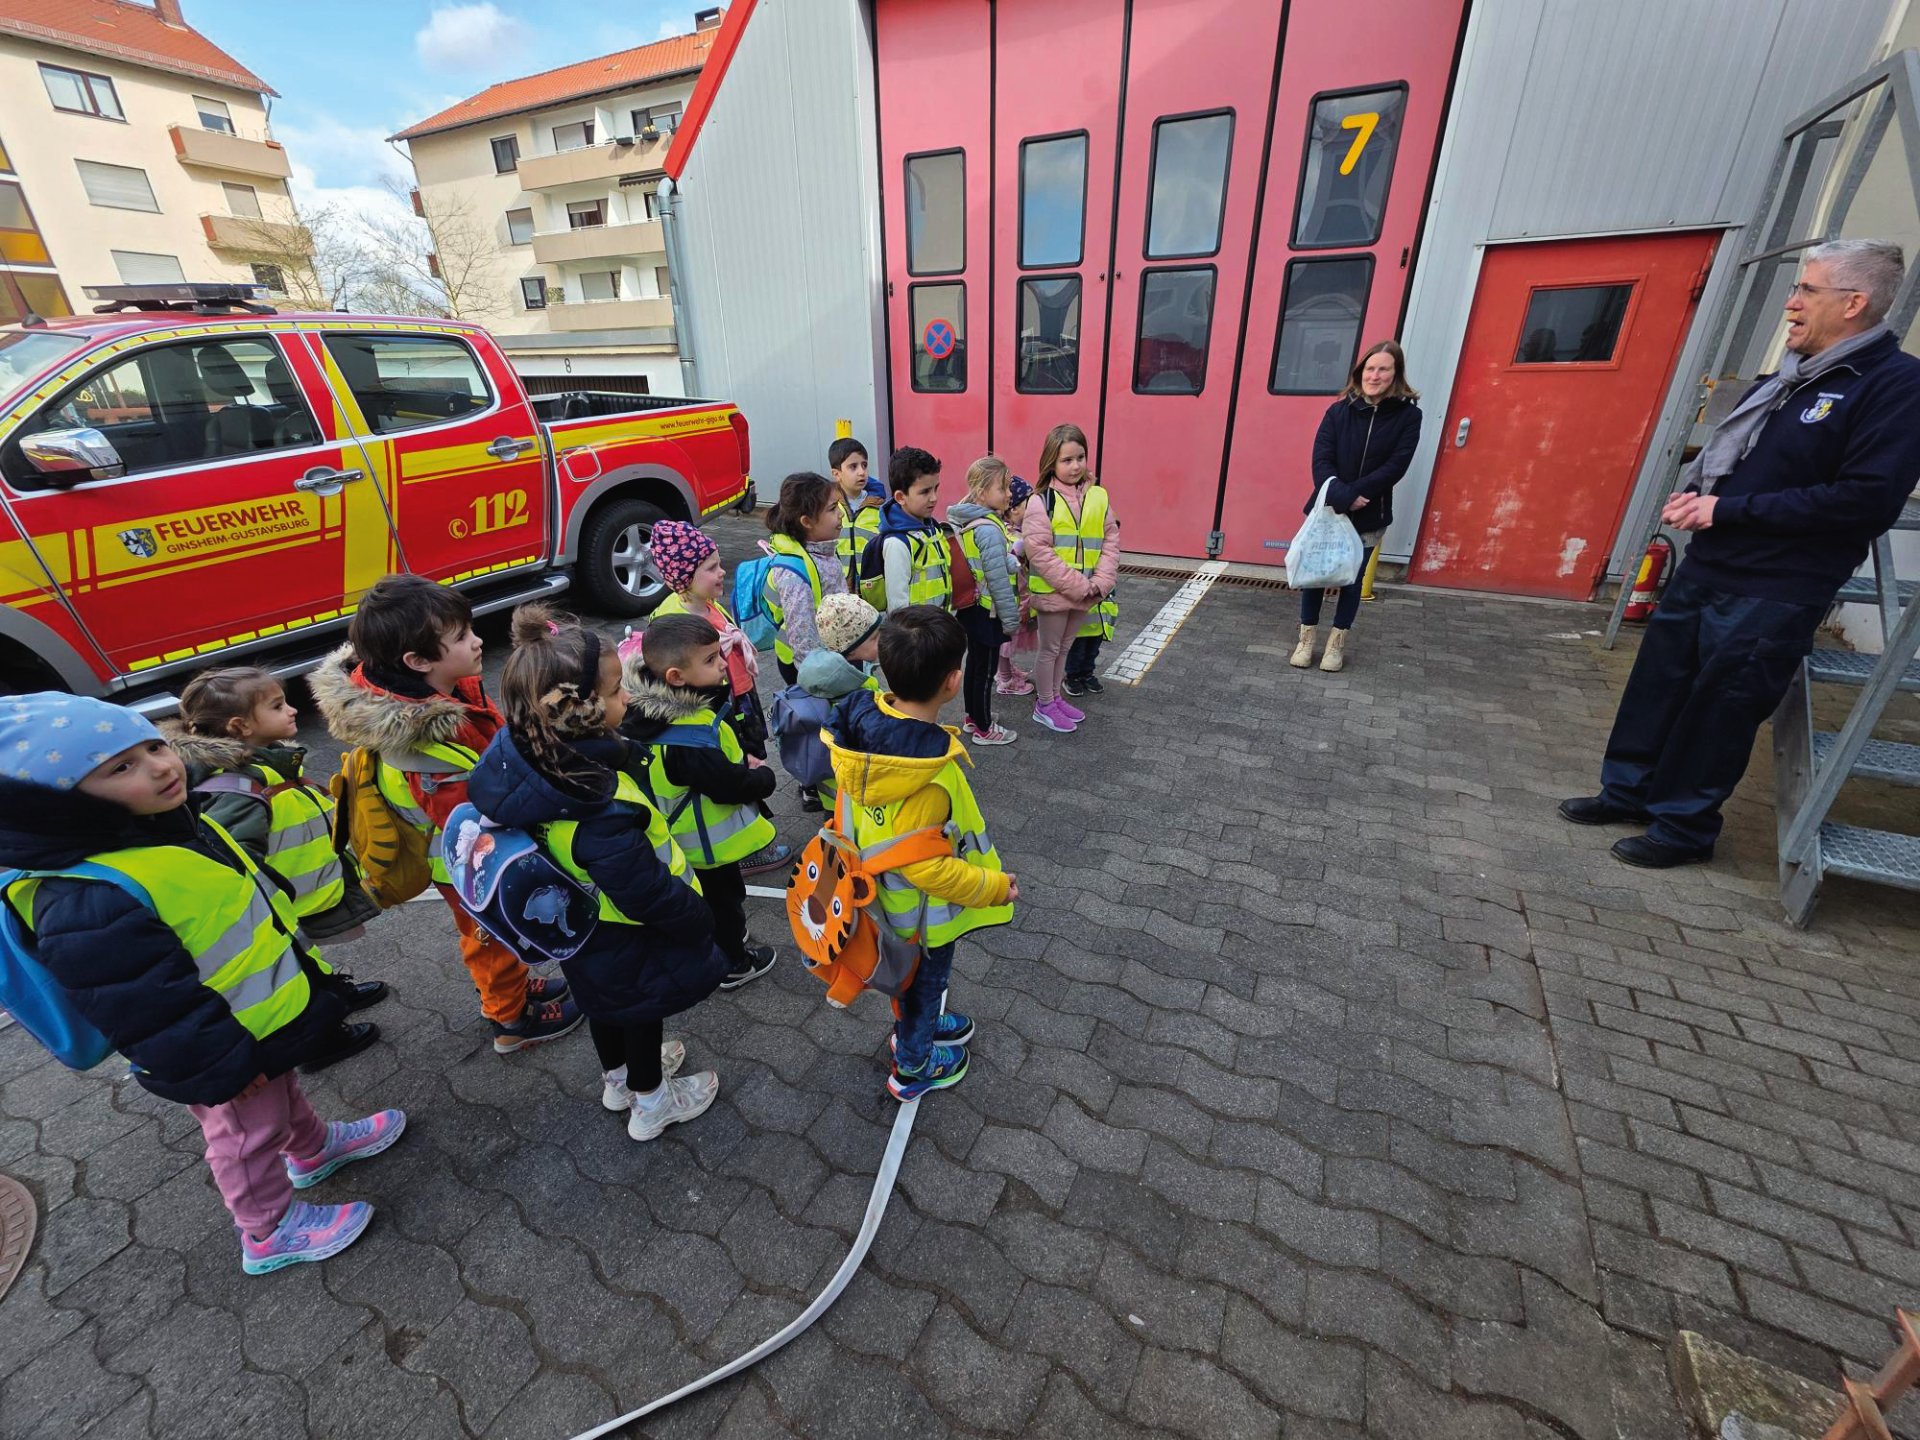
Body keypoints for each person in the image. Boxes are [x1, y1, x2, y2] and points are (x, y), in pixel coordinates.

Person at [0, 695, 406, 1274]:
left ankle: (313, 1149)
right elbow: (144, 1005)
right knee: (245, 1134)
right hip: (216, 1047)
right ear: (56, 804)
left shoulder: (157, 824)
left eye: (153, 746)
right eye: (121, 767)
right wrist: (219, 1070)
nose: (161, 767)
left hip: (251, 1019)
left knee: (281, 1091)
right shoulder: (84, 896)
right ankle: (268, 1230)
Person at [1561, 239, 1920, 869]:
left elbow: (1864, 500)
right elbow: (1752, 456)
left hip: (1777, 586)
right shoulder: (1791, 376)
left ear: (1854, 303)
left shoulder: (1895, 386)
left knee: (1721, 708)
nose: (1791, 303)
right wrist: (1704, 490)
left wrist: (1728, 510)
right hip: (1712, 563)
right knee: (1658, 686)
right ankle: (1628, 791)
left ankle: (1683, 827)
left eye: (1807, 290)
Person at [465, 607, 724, 1140]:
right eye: (613, 691)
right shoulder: (593, 802)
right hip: (624, 933)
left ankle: (619, 1079)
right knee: (639, 1010)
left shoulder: (532, 761)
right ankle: (652, 1102)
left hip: (577, 931)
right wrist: (697, 917)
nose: (626, 698)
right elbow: (642, 890)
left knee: (603, 1005)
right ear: (579, 711)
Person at [309, 575, 579, 1053]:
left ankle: (508, 987)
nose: (477, 640)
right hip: (463, 862)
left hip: (469, 848)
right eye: (461, 637)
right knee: (490, 935)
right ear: (417, 661)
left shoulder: (444, 691)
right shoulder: (424, 741)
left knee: (497, 936)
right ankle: (510, 1020)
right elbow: (473, 816)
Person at [823, 606, 1017, 1100]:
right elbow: (927, 866)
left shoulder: (863, 728)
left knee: (915, 984)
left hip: (883, 901)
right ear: (953, 682)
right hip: (921, 916)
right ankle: (913, 1063)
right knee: (926, 981)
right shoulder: (927, 771)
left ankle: (918, 1022)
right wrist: (993, 888)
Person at [173, 666, 385, 1074]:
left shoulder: (265, 762)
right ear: (240, 726)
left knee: (307, 955)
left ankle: (331, 992)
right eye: (277, 706)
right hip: (281, 909)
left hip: (302, 898)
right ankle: (321, 1037)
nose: (291, 711)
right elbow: (240, 863)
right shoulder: (235, 790)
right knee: (296, 963)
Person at [620, 613, 786, 988]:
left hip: (673, 841)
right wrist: (763, 776)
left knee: (702, 902)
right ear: (676, 677)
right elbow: (727, 785)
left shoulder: (640, 712)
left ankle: (712, 942)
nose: (724, 664)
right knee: (724, 902)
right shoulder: (689, 737)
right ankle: (732, 963)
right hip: (705, 847)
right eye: (711, 660)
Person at [1289, 340, 1422, 674]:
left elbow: (1397, 465)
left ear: (1396, 374)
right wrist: (1342, 495)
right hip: (1331, 507)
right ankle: (1306, 640)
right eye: (1370, 368)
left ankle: (1337, 643)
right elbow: (1321, 458)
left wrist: (1359, 494)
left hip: (1369, 513)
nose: (1374, 376)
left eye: (1383, 369)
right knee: (1315, 576)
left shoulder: (1409, 416)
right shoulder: (1338, 411)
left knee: (1352, 579)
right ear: (1360, 372)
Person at [645, 520, 768, 760]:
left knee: (755, 752)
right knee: (735, 756)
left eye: (719, 564)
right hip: (717, 705)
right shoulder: (677, 622)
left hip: (740, 694)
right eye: (711, 568)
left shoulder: (706, 603)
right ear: (685, 578)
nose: (722, 572)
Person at [1023, 424, 1117, 734]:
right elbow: (1039, 552)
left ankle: (1055, 697)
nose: (1075, 466)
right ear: (1052, 462)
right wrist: (1081, 586)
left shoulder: (1099, 497)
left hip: (1087, 592)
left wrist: (1101, 582)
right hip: (1056, 594)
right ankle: (1044, 704)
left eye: (1081, 457)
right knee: (1050, 650)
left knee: (1064, 649)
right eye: (1067, 460)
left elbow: (1110, 540)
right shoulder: (1041, 501)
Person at [948, 454, 1020, 745]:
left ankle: (971, 716)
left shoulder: (968, 518)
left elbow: (987, 564)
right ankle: (984, 728)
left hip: (970, 608)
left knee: (975, 666)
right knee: (986, 671)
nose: (1008, 494)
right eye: (1002, 488)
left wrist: (1010, 562)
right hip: (988, 611)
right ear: (981, 492)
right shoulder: (989, 528)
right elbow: (998, 582)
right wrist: (1011, 619)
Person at [792, 593, 884, 810]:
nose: (880, 642)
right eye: (874, 638)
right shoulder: (854, 692)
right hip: (851, 796)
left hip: (830, 789)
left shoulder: (828, 676)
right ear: (851, 648)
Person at [762, 471, 846, 685]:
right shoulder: (793, 570)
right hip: (807, 668)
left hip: (830, 656)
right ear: (807, 521)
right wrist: (814, 681)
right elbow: (801, 632)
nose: (841, 514)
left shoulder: (822, 550)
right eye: (832, 509)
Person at [867, 447, 953, 613]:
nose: (934, 498)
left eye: (936, 488)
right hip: (917, 635)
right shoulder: (897, 544)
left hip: (939, 630)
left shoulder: (932, 528)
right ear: (900, 497)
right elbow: (898, 608)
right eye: (925, 492)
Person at [995, 476, 1037, 698]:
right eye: (1027, 506)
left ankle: (1006, 670)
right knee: (1006, 641)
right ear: (1012, 510)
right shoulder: (1016, 539)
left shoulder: (1009, 531)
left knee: (1007, 640)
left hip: (1015, 598)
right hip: (1012, 600)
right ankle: (1005, 679)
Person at [830, 437, 884, 583]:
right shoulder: (828, 508)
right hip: (838, 590)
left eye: (864, 465)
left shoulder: (879, 507)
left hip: (873, 591)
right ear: (836, 474)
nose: (862, 472)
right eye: (853, 467)